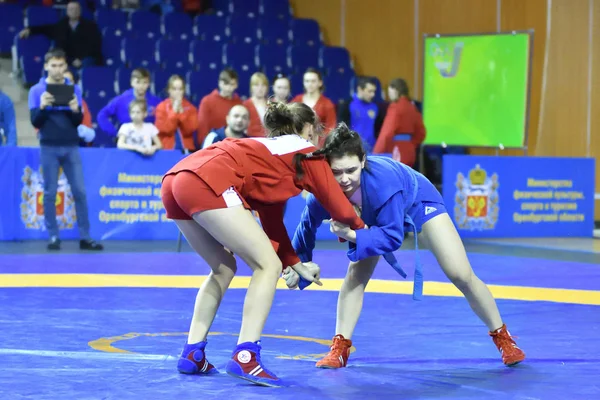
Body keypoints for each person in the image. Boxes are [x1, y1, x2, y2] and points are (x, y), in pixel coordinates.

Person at [288, 123, 526, 369]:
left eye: (351, 170)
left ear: (363, 162)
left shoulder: (383, 183)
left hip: (417, 201)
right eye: (337, 172)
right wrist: (298, 263)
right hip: (374, 213)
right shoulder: (322, 190)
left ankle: (503, 337)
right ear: (327, 168)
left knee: (460, 273)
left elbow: (392, 238)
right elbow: (306, 227)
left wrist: (350, 233)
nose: (345, 179)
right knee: (355, 275)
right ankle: (339, 348)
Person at [160, 102, 365, 387]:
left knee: (223, 268)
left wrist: (294, 262)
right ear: (308, 130)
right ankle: (246, 356)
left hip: (175, 180)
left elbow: (272, 223)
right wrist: (365, 231)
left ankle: (193, 352)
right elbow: (340, 207)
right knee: (267, 265)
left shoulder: (270, 152)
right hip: (206, 181)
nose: (320, 141)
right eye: (317, 132)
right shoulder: (307, 152)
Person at [28, 48, 103, 251]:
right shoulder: (36, 91)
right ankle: (53, 236)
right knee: (50, 193)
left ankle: (85, 237)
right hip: (48, 146)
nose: (58, 69)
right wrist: (42, 107)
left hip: (71, 145)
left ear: (65, 67)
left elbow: (77, 121)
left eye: (61, 65)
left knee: (79, 191)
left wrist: (75, 110)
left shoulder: (74, 89)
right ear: (46, 67)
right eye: (53, 65)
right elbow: (34, 120)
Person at [373, 78, 425, 167]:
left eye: (390, 92)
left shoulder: (395, 107)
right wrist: (410, 145)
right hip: (410, 152)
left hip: (396, 151)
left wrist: (376, 154)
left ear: (396, 90)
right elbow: (421, 132)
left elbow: (386, 133)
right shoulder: (413, 108)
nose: (389, 96)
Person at [291, 68, 336, 147]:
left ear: (320, 83)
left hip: (319, 146)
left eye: (313, 81)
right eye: (307, 81)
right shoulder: (296, 100)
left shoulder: (327, 104)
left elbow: (330, 129)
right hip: (297, 144)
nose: (309, 84)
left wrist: (318, 144)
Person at [155, 74, 198, 152]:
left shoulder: (191, 108)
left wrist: (182, 114)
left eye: (180, 89)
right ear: (169, 90)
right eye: (174, 89)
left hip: (187, 150)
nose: (177, 92)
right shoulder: (161, 107)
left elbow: (188, 131)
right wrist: (174, 111)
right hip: (166, 150)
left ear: (184, 90)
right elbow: (166, 129)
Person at [243, 72, 269, 137]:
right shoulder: (245, 105)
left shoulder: (271, 104)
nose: (260, 88)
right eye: (257, 85)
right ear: (251, 87)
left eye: (263, 85)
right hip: (252, 140)